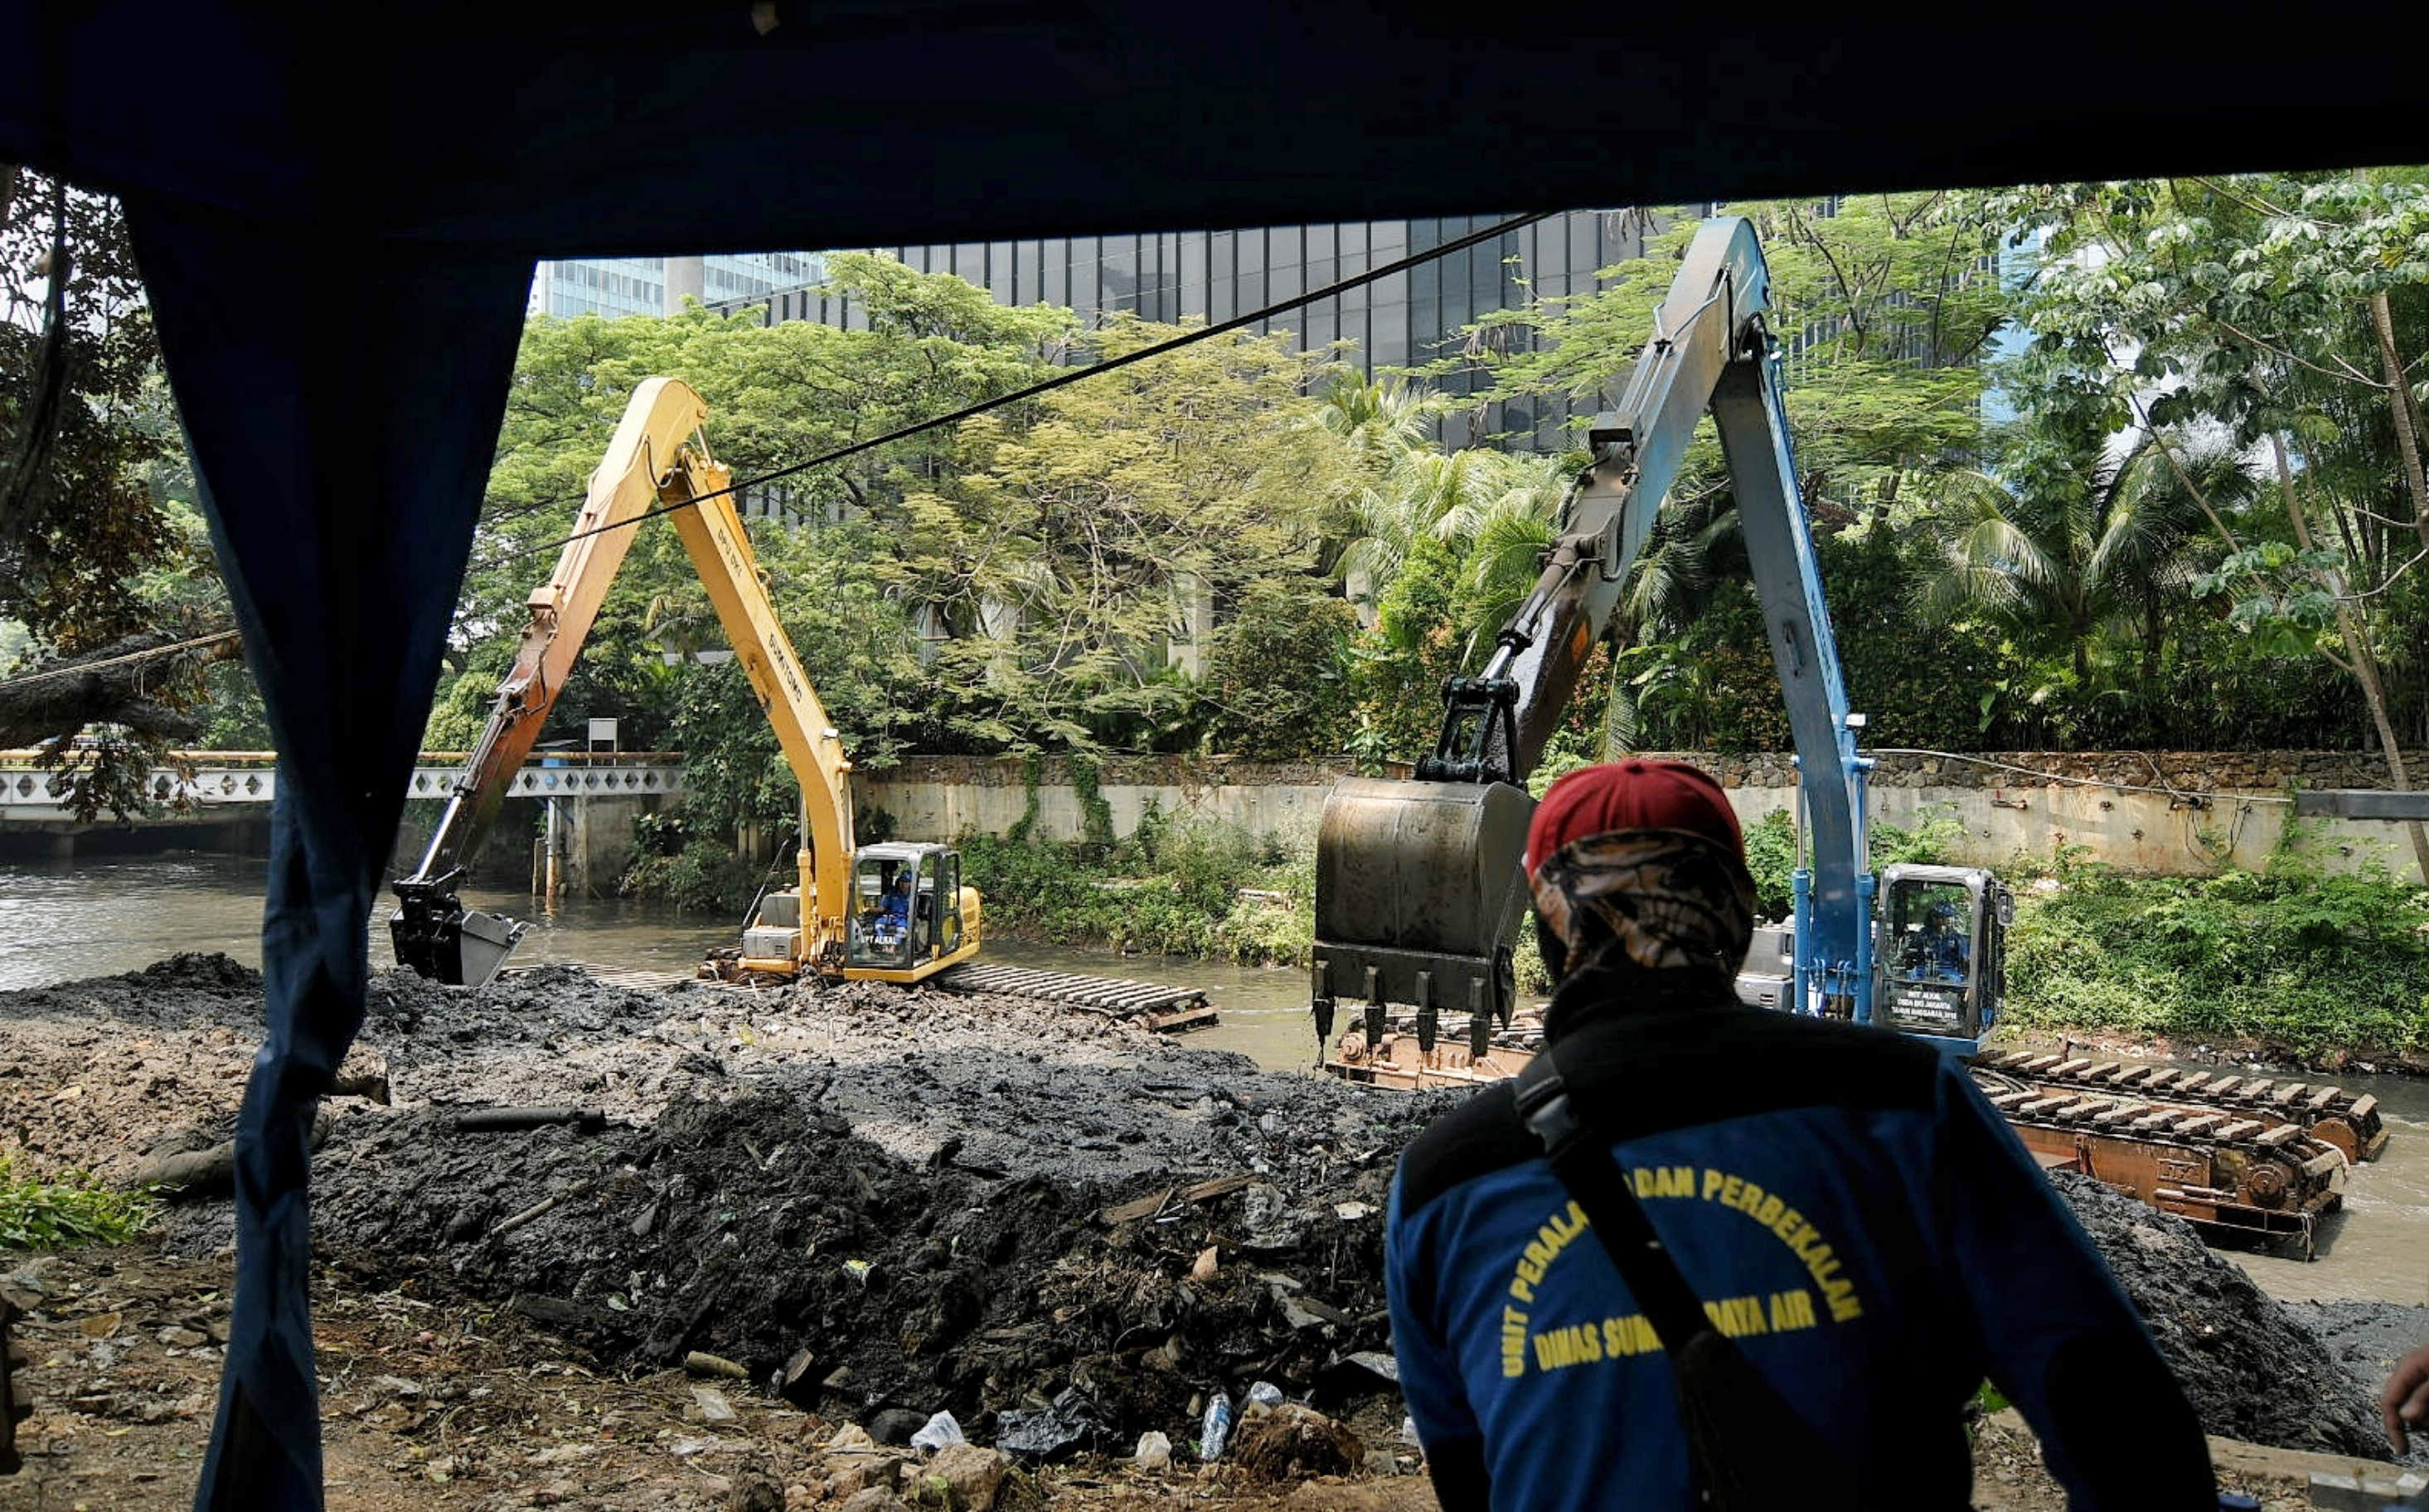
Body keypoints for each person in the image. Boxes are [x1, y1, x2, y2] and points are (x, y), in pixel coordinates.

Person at [1384, 758, 2215, 1510]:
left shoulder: (1441, 1180)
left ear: (1547, 922)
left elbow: (1470, 1479)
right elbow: (2109, 1407)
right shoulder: (1899, 1102)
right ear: (1737, 913)